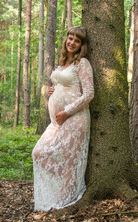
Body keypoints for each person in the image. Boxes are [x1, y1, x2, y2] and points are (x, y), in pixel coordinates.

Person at [32, 26, 94, 211]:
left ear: (81, 45)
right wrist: (53, 89)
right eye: (70, 38)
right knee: (39, 153)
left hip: (76, 117)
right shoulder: (62, 65)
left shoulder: (82, 63)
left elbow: (89, 94)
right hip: (57, 122)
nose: (72, 42)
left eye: (77, 40)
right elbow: (63, 86)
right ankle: (61, 191)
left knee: (69, 160)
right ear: (66, 39)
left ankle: (65, 202)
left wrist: (67, 111)